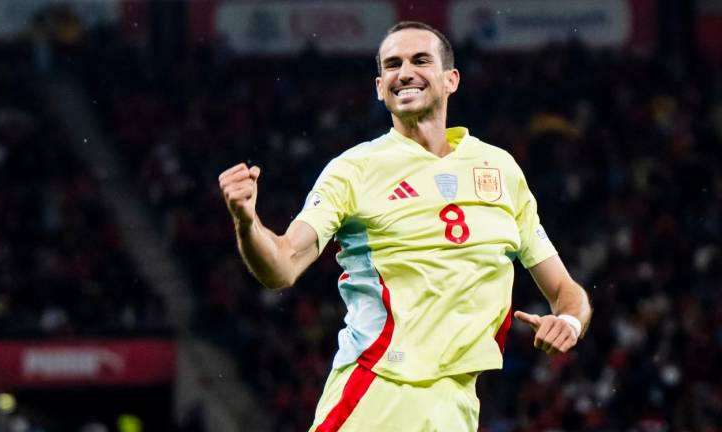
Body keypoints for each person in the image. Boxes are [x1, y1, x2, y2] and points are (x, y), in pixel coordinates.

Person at [218, 21, 592, 432]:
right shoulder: (353, 170)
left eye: (420, 60)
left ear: (451, 80)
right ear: (380, 88)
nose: (405, 72)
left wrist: (569, 322)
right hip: (378, 391)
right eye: (392, 65)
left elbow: (565, 291)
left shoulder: (500, 169)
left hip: (459, 404)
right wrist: (246, 222)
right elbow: (283, 266)